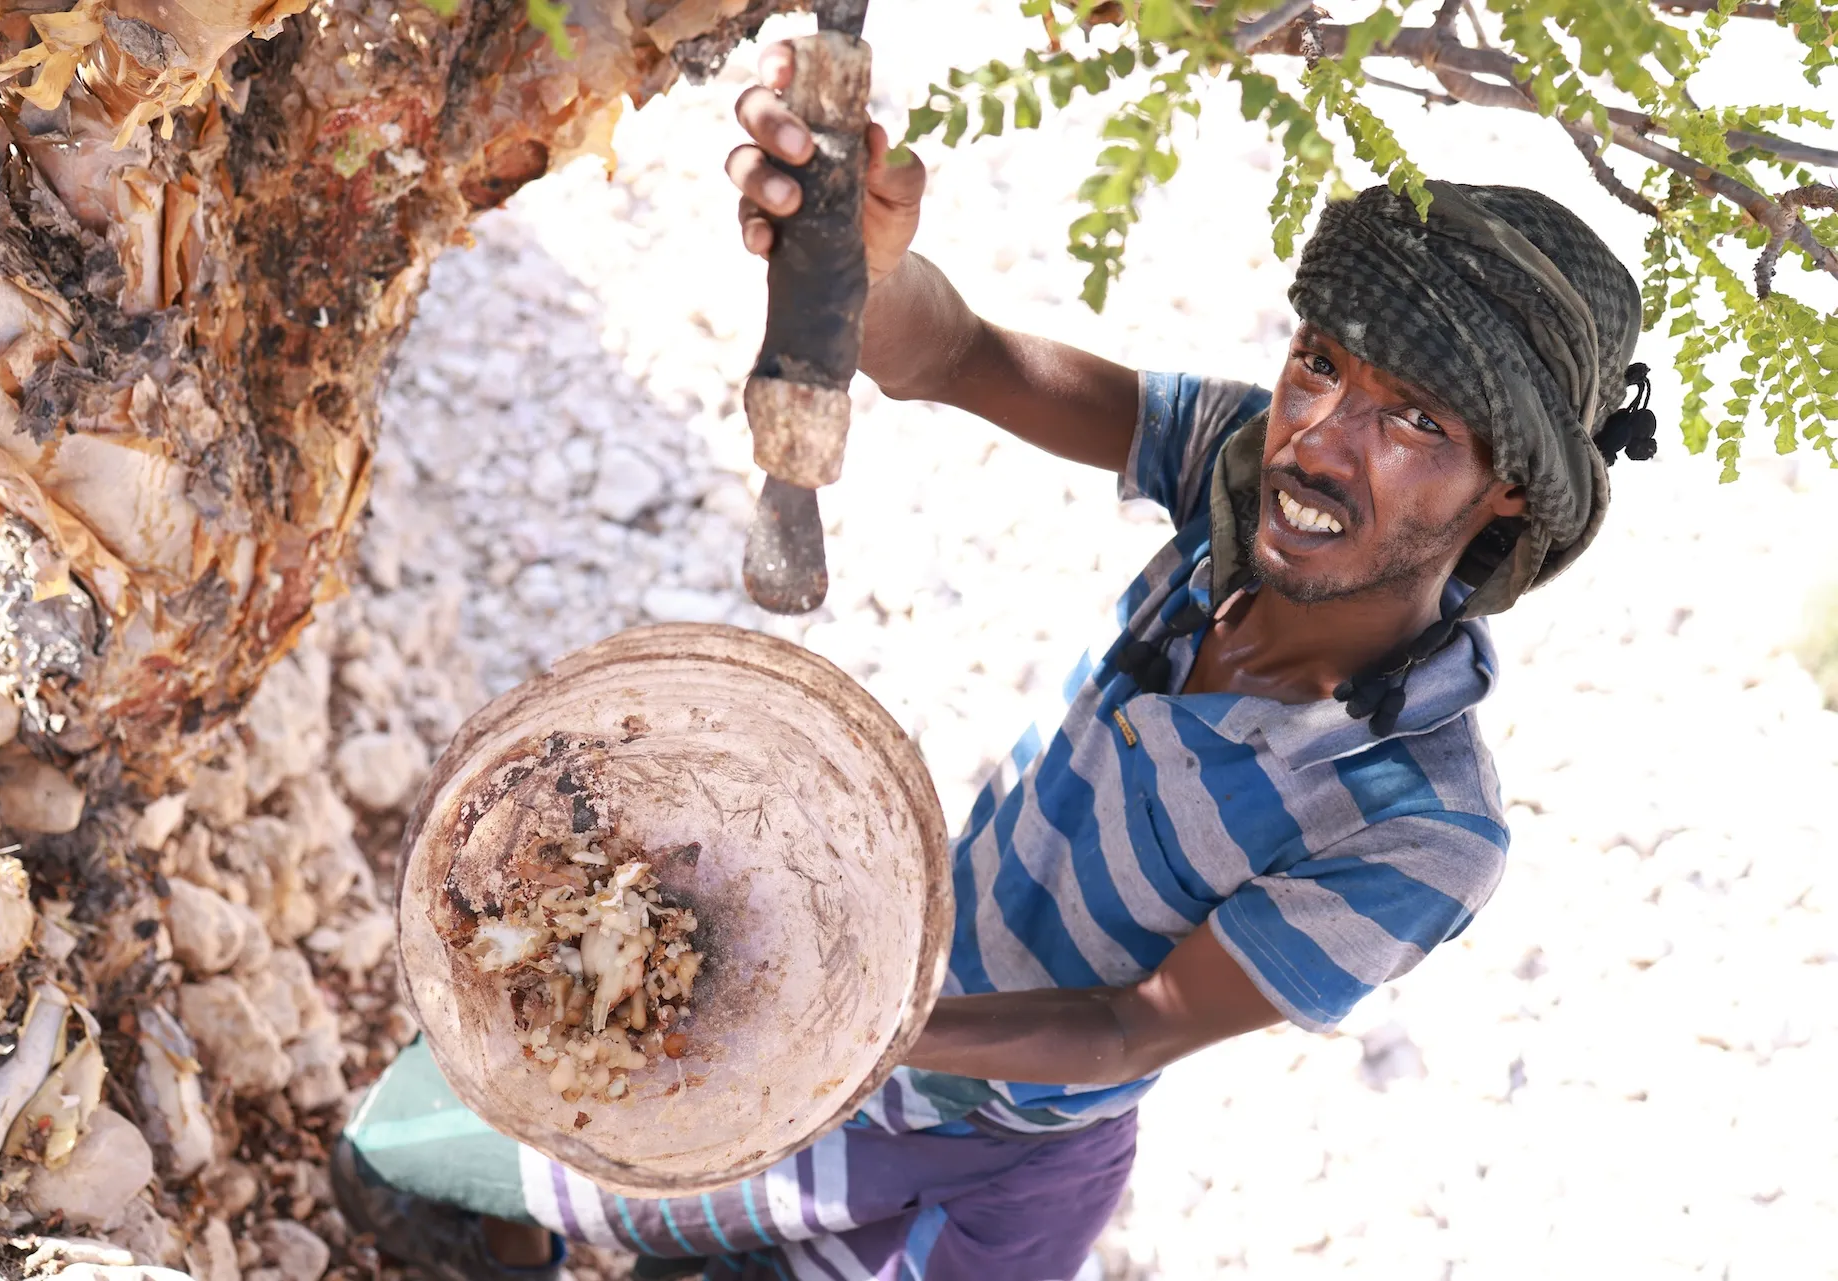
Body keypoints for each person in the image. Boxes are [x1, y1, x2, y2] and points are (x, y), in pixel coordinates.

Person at [331, 39, 1657, 1281]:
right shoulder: (1235, 472)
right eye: (1319, 364)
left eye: (1413, 420)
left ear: (1508, 500)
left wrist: (836, 1035)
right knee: (403, 1158)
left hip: (986, 1152)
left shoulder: (1418, 820)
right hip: (874, 983)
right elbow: (952, 354)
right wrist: (860, 260)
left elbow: (1128, 1026)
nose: (1321, 437)